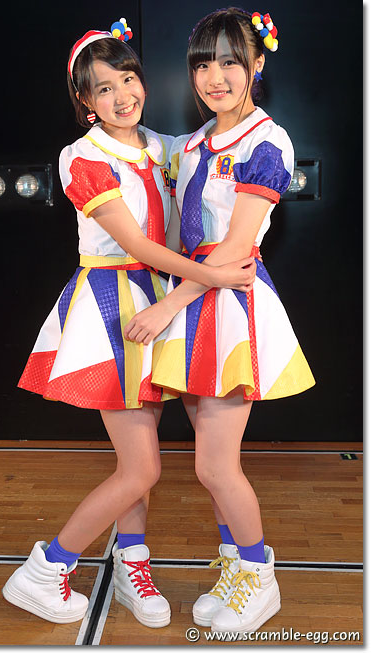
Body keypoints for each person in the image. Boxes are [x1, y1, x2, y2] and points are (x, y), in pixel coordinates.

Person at [2, 21, 256, 628]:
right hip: (114, 307)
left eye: (128, 78)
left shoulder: (164, 146)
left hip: (164, 299)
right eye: (103, 88)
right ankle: (46, 568)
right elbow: (138, 245)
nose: (122, 96)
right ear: (84, 101)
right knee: (140, 466)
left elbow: (221, 147)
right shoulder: (82, 157)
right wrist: (217, 276)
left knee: (141, 456)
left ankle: (131, 565)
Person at [124, 7, 315, 635]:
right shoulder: (193, 144)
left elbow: (235, 246)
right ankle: (235, 567)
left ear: (257, 65)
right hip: (194, 300)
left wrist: (168, 304)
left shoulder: (267, 141)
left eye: (231, 61)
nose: (215, 76)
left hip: (229, 302)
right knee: (209, 461)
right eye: (203, 64)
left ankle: (259, 579)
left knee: (214, 464)